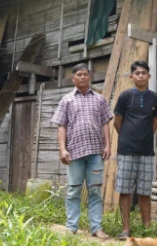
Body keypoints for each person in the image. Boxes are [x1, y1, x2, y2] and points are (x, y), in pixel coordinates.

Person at [50, 63, 112, 240]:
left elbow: (105, 123)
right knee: (73, 191)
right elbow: (61, 126)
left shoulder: (99, 99)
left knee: (95, 190)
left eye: (85, 74)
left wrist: (108, 145)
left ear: (89, 77)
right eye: (79, 74)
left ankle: (97, 228)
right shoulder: (66, 100)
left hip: (95, 152)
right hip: (74, 153)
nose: (82, 77)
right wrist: (62, 149)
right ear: (73, 78)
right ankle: (71, 228)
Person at [113, 60, 157, 240]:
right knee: (125, 189)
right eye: (137, 73)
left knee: (144, 191)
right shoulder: (125, 96)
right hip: (126, 150)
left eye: (144, 73)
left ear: (148, 76)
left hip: (147, 151)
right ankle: (126, 229)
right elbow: (117, 122)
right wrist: (127, 136)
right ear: (131, 76)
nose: (141, 76)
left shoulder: (154, 98)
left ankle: (146, 228)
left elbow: (155, 122)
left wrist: (144, 137)